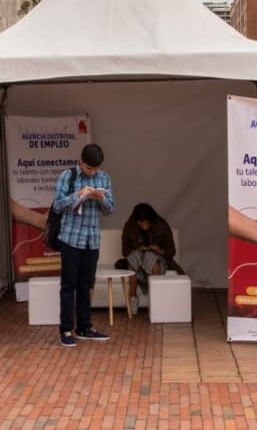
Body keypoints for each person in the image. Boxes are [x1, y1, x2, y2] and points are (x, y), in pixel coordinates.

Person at [53, 144, 115, 348]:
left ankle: (84, 327)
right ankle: (66, 330)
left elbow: (110, 210)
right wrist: (78, 194)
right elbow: (57, 205)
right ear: (81, 160)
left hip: (92, 239)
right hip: (71, 238)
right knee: (68, 285)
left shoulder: (104, 178)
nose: (92, 172)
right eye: (89, 168)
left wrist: (101, 198)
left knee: (86, 285)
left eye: (95, 169)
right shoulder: (68, 176)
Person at [120, 203, 181, 313]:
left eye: (146, 223)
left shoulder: (162, 225)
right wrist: (139, 248)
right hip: (137, 262)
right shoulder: (130, 226)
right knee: (134, 255)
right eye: (140, 223)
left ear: (151, 220)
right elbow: (125, 252)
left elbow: (171, 251)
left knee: (150, 255)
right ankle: (133, 298)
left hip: (158, 261)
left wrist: (159, 250)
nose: (143, 225)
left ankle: (156, 299)